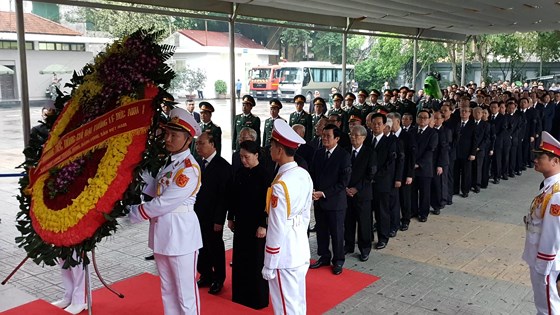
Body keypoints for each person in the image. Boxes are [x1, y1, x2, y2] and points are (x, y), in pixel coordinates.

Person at [129, 108, 203, 315]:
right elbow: (157, 189)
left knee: (185, 293)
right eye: (167, 134)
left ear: (188, 140)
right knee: (168, 288)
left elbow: (164, 203)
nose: (168, 139)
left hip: (181, 237)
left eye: (174, 135)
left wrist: (133, 213)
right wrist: (135, 171)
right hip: (163, 234)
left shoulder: (188, 168)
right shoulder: (170, 164)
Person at [262, 119, 313, 315]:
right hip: (299, 247)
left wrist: (270, 262)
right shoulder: (303, 174)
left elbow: (276, 227)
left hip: (284, 254)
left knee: (285, 308)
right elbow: (306, 215)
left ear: (280, 150)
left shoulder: (280, 185)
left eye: (272, 146)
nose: (270, 150)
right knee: (297, 304)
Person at [228, 140, 271, 309]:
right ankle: (240, 295)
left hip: (256, 225)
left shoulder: (265, 175)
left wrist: (263, 224)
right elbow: (232, 197)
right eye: (241, 157)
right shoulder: (239, 173)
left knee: (256, 260)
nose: (243, 160)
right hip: (241, 223)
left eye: (247, 157)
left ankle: (257, 298)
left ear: (256, 156)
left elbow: (267, 204)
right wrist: (230, 217)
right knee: (240, 259)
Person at [522, 131, 560, 315]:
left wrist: (543, 264)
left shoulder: (556, 194)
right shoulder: (549, 186)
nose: (536, 160)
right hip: (541, 257)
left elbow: (553, 233)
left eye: (541, 156)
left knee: (548, 307)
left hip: (546, 261)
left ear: (555, 161)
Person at [309, 124, 351, 275]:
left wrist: (324, 193)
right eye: (323, 135)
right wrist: (312, 189)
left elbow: (343, 183)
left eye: (328, 136)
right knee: (321, 231)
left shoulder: (344, 155)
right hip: (319, 201)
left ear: (337, 138)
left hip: (335, 202)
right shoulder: (319, 153)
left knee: (337, 233)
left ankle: (338, 260)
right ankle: (324, 256)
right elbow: (312, 173)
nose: (324, 138)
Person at [194, 131, 232, 295]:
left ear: (212, 144)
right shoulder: (197, 163)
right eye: (197, 143)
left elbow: (224, 196)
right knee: (200, 246)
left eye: (201, 143)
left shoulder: (223, 166)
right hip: (197, 214)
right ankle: (206, 274)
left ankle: (218, 278)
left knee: (215, 247)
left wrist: (219, 220)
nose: (198, 147)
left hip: (213, 216)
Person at [344, 125, 376, 262]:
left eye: (356, 135)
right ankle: (348, 245)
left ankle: (364, 249)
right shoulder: (345, 151)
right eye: (351, 134)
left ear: (363, 137)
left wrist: (356, 188)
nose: (353, 137)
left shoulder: (370, 153)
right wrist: (345, 188)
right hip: (346, 193)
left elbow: (371, 174)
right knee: (348, 221)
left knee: (364, 223)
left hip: (362, 194)